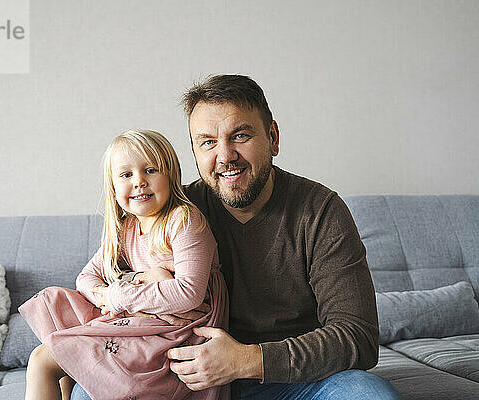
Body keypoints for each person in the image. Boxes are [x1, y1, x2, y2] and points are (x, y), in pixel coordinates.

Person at [72, 75, 401, 399]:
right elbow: (97, 278)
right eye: (208, 142)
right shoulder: (172, 213)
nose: (225, 155)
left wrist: (246, 361)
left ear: (272, 137)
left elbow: (358, 338)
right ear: (194, 151)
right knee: (88, 394)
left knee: (369, 395)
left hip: (299, 382)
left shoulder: (320, 211)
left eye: (240, 136)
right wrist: (140, 284)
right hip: (184, 379)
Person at [20, 129, 229, 400]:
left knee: (41, 360)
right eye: (126, 175)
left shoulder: (183, 219)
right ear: (113, 187)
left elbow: (188, 293)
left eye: (150, 170)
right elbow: (86, 278)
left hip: (178, 332)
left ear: (171, 175)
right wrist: (123, 287)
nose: (139, 182)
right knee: (56, 305)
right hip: (145, 319)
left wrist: (119, 295)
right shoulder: (126, 227)